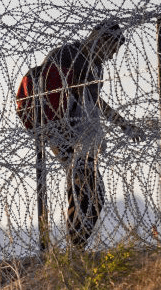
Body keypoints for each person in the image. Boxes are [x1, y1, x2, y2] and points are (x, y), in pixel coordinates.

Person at [40, 21, 143, 249]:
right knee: (85, 187)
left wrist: (123, 124)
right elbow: (46, 90)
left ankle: (77, 246)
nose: (112, 56)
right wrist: (61, 128)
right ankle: (76, 247)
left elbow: (95, 101)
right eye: (112, 49)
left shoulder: (95, 67)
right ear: (99, 39)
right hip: (62, 130)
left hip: (82, 135)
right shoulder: (67, 55)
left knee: (91, 190)